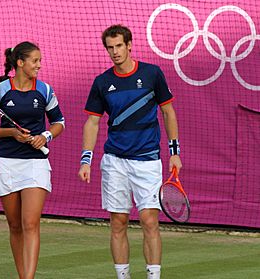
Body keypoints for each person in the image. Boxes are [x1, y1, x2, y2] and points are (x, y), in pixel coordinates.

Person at [78, 25, 182, 279]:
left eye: (119, 46)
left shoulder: (152, 74)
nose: (115, 52)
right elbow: (92, 122)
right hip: (115, 162)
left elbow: (168, 112)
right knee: (118, 223)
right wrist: (86, 159)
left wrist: (174, 151)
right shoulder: (102, 82)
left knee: (149, 222)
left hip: (147, 161)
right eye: (110, 48)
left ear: (129, 45)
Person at [0, 41, 65, 279]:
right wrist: (11, 133)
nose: (39, 65)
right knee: (15, 226)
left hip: (35, 164)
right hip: (6, 163)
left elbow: (59, 122)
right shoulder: (0, 91)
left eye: (39, 61)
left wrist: (45, 136)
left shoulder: (45, 90)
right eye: (35, 61)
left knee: (30, 224)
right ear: (20, 63)